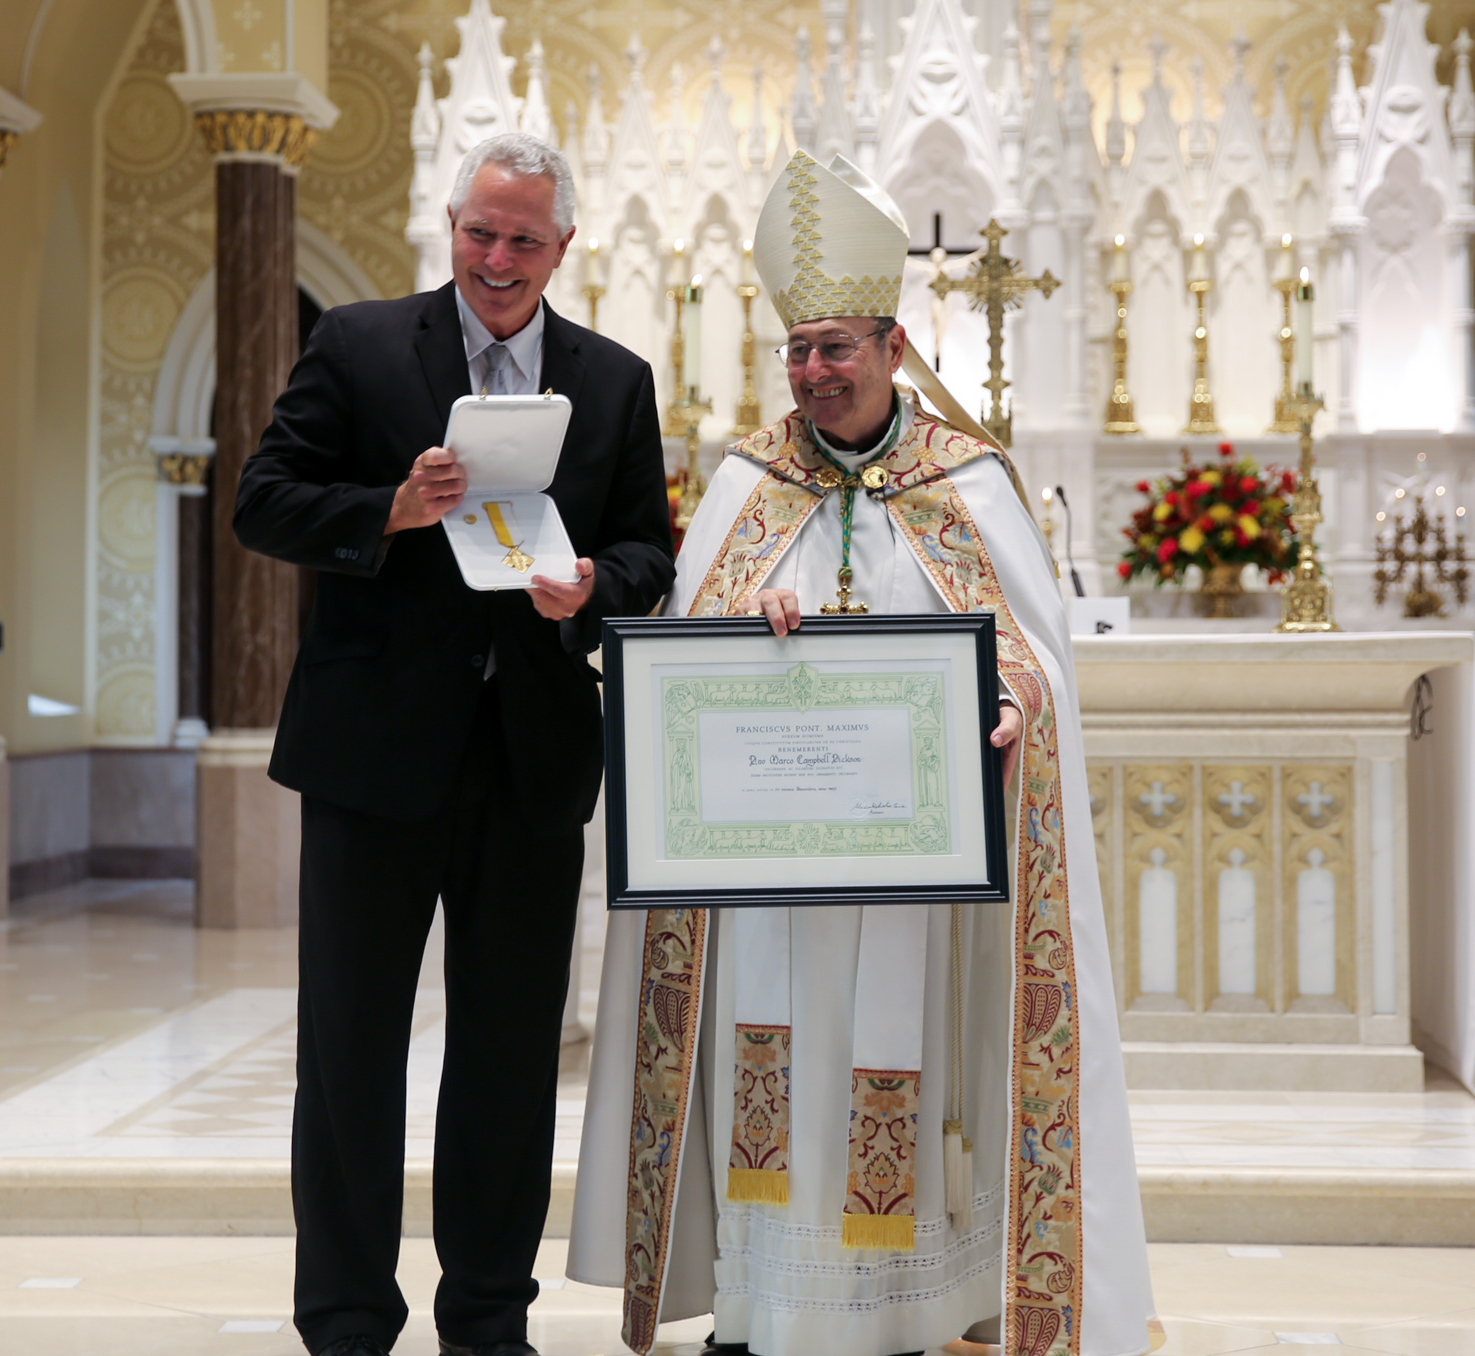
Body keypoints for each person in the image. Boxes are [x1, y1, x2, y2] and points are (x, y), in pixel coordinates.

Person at [566, 152, 1162, 1356]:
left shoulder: (967, 481)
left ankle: (915, 1312)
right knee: (767, 1063)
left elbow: (1034, 662)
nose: (813, 372)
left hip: (911, 879)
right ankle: (759, 1306)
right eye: (796, 351)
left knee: (899, 1059)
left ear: (893, 347)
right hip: (770, 887)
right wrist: (741, 633)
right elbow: (682, 664)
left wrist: (1006, 704)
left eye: (835, 347)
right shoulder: (746, 484)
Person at [235, 132, 675, 1356]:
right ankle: (343, 1321)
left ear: (562, 249)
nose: (496, 258)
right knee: (349, 1058)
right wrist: (389, 504)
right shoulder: (362, 344)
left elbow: (650, 552)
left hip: (528, 759)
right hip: (373, 757)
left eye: (523, 240)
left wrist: (589, 583)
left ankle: (487, 1319)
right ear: (449, 223)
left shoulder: (614, 378)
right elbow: (261, 498)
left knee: (507, 1056)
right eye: (480, 232)